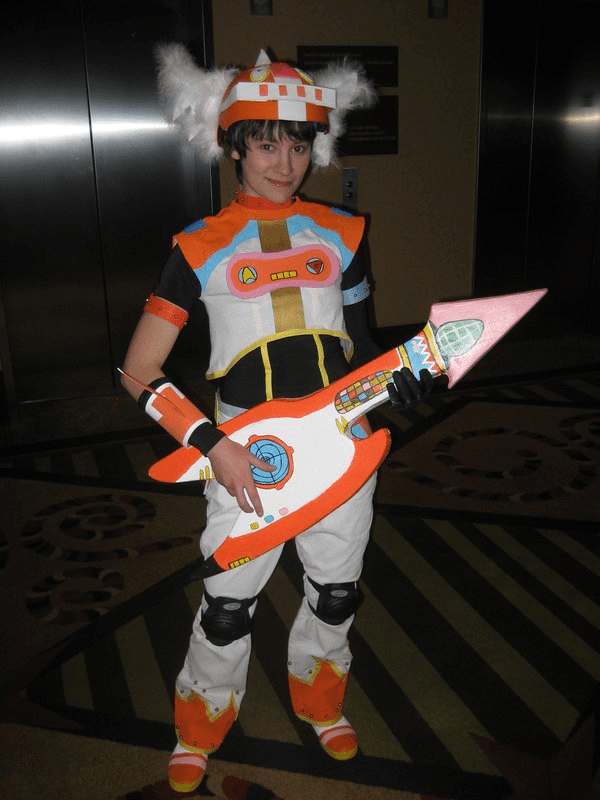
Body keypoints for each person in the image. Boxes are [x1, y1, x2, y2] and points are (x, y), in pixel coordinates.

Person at [121, 46, 433, 794]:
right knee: (229, 603)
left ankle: (321, 701)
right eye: (265, 144)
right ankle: (199, 725)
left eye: (297, 144)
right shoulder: (197, 247)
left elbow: (363, 348)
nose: (284, 162)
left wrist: (397, 382)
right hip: (246, 452)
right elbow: (137, 371)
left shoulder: (344, 235)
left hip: (344, 442)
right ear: (234, 146)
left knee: (337, 590)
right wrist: (213, 446)